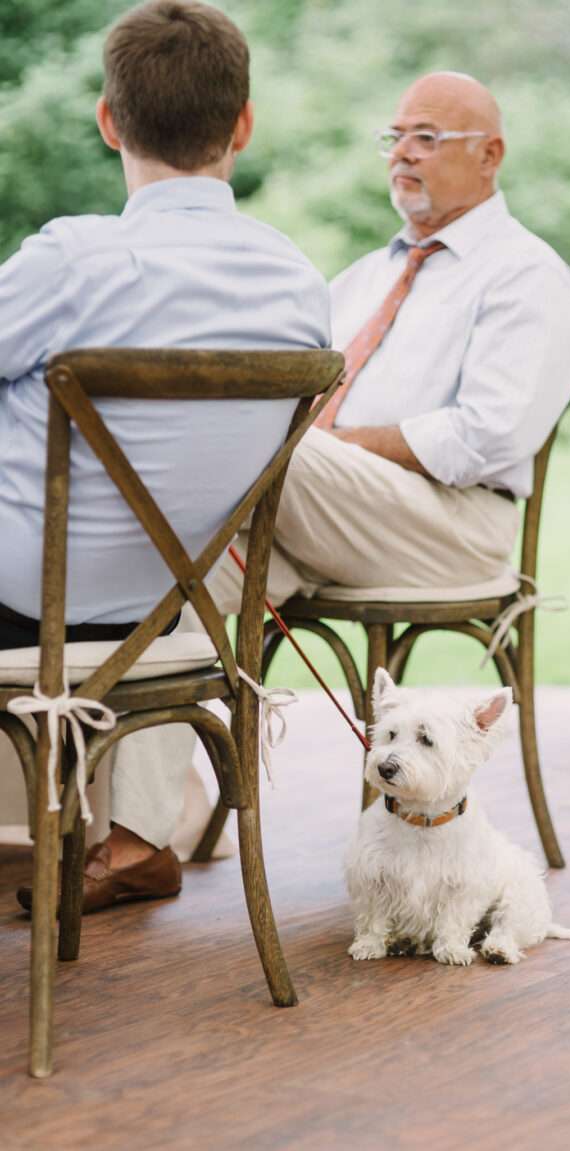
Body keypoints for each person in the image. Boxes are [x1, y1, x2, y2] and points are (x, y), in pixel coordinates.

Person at [25, 69, 570, 912]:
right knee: (173, 574)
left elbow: (487, 435)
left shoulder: (526, 275)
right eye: (395, 136)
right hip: (324, 517)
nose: (402, 153)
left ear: (492, 155)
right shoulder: (365, 273)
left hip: (451, 526)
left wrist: (302, 442)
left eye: (428, 138)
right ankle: (135, 839)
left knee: (258, 447)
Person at [2, 0, 329, 911]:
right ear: (243, 125)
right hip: (168, 614)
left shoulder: (72, 260)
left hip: (27, 609)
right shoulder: (297, 285)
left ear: (108, 121)